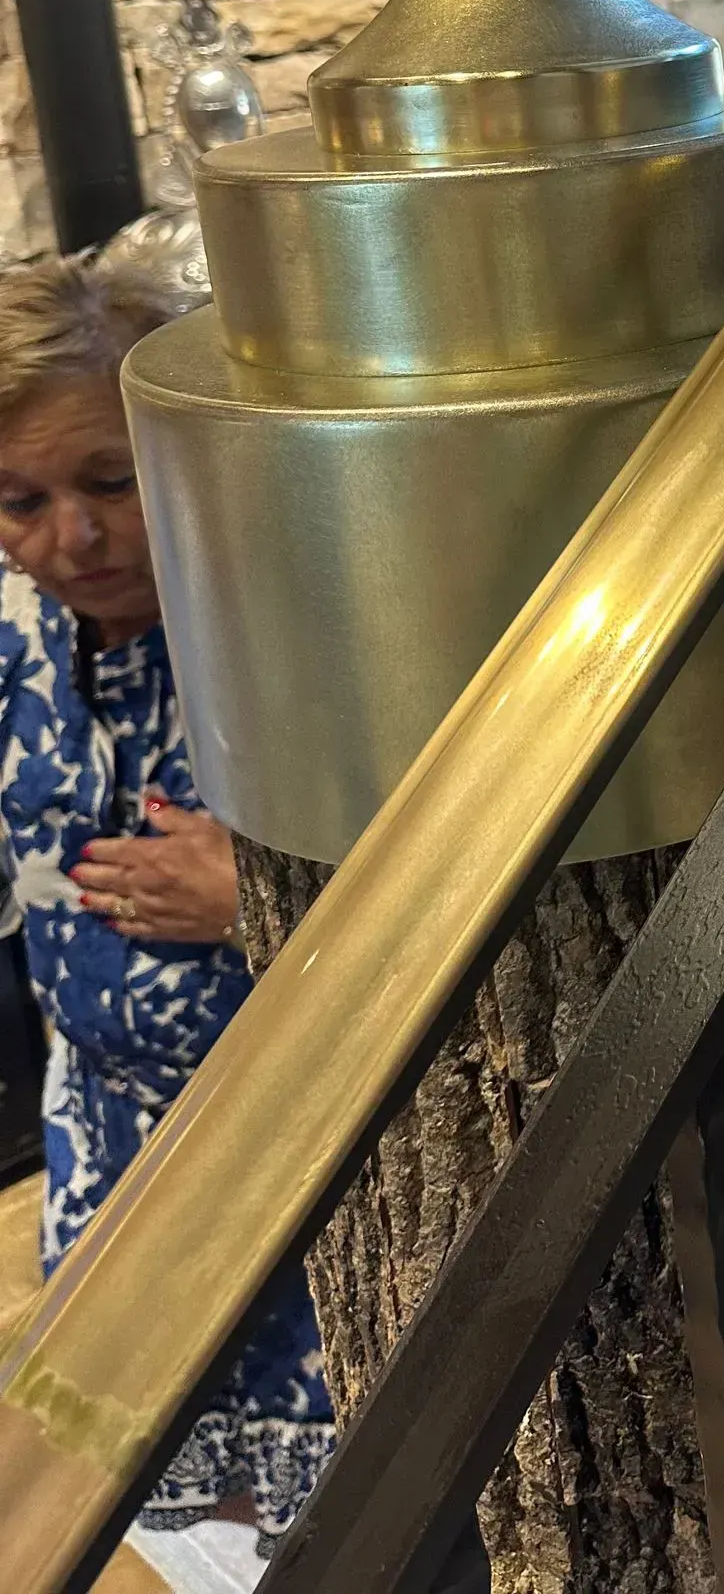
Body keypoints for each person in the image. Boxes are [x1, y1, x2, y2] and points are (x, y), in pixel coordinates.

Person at [0, 250, 334, 1552]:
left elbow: (478, 907)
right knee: (181, 1468)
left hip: (292, 1166)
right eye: (18, 500)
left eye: (107, 483)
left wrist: (258, 902)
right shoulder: (21, 633)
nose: (67, 539)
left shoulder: (293, 631)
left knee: (348, 1487)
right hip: (112, 1142)